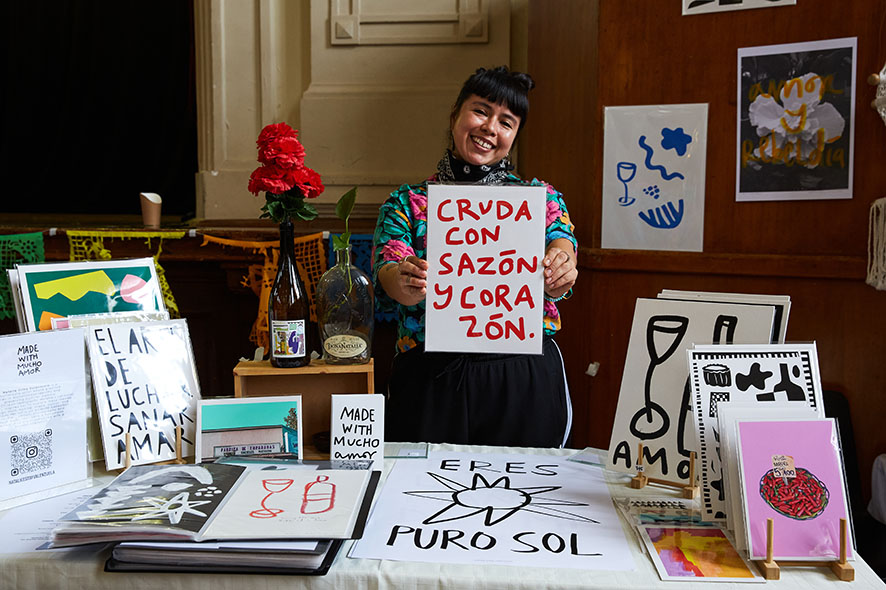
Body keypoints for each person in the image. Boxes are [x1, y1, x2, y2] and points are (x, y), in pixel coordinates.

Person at [372, 66, 578, 448]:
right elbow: (389, 270)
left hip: (522, 377)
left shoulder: (540, 200)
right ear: (456, 114)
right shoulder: (406, 203)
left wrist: (561, 266)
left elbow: (562, 245)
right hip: (430, 377)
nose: (490, 128)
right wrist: (403, 279)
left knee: (526, 482)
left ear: (514, 136)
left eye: (506, 122)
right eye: (481, 111)